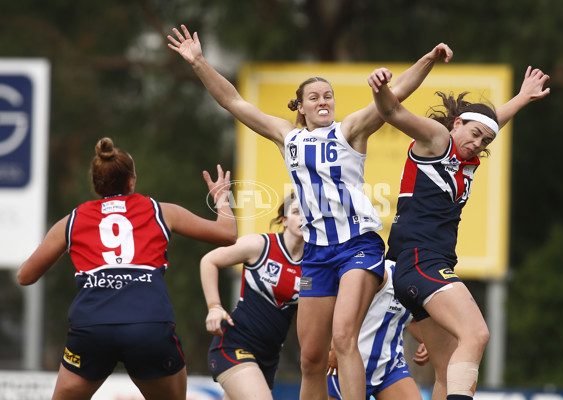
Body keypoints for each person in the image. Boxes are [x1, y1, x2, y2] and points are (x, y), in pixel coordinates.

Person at [168, 24, 453, 400]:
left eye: (329, 96)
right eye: (314, 97)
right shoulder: (288, 137)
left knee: (343, 336)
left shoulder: (349, 131)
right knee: (312, 359)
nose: (323, 102)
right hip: (317, 256)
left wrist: (429, 59)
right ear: (300, 107)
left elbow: (395, 93)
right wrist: (199, 62)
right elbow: (234, 102)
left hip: (358, 246)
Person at [368, 65, 550, 400]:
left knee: (450, 368)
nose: (478, 143)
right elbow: (392, 110)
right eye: (474, 133)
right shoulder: (436, 141)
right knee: (477, 333)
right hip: (420, 262)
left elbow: (492, 120)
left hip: (421, 268)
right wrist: (380, 88)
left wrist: (522, 99)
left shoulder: (465, 158)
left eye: (486, 140)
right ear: (456, 123)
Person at [17, 137, 237, 400]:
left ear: (96, 184)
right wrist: (223, 199)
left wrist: (71, 243)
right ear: (131, 181)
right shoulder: (160, 210)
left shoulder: (72, 220)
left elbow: (25, 276)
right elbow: (227, 234)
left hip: (92, 328)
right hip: (148, 326)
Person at [200, 193, 304, 400]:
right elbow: (209, 261)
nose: (304, 218)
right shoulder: (260, 246)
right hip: (235, 344)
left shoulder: (314, 265)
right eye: (296, 212)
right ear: (284, 220)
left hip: (268, 357)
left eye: (310, 214)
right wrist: (214, 306)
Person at [326, 260, 429, 400]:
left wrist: (428, 342)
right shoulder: (381, 273)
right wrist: (334, 347)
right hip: (346, 365)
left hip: (390, 368)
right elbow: (340, 307)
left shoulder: (422, 283)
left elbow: (413, 320)